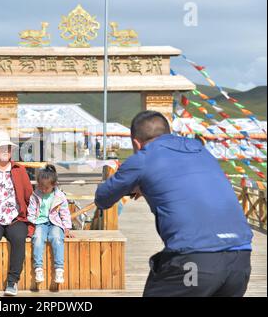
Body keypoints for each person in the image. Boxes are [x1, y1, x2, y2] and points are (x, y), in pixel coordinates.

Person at [95, 111, 253, 297]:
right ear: (168, 132)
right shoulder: (199, 149)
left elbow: (103, 198)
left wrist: (137, 185)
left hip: (194, 259)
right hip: (240, 260)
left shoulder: (143, 158)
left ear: (136, 143)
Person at [0, 131, 33, 297]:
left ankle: (12, 281)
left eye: (8, 149)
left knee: (18, 238)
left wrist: (33, 217)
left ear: (11, 151)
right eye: (1, 148)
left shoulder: (20, 170)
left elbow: (29, 194)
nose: (5, 152)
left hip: (16, 217)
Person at [27, 164, 73, 284]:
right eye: (40, 186)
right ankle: (38, 268)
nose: (43, 189)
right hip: (40, 222)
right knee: (37, 238)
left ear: (54, 185)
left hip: (55, 223)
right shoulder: (35, 195)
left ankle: (59, 269)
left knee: (57, 238)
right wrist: (31, 224)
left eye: (46, 188)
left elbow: (65, 213)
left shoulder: (59, 196)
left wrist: (67, 227)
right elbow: (31, 211)